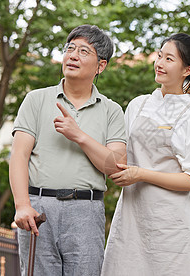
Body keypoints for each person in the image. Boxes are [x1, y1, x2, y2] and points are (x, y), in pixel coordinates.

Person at [9, 24, 127, 276]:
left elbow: (114, 166)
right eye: (69, 48)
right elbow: (19, 156)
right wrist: (22, 205)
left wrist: (79, 136)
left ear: (100, 66)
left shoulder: (112, 110)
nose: (72, 55)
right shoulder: (36, 99)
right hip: (38, 209)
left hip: (86, 209)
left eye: (84, 51)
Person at [101, 33, 190, 276]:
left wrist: (141, 174)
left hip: (171, 227)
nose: (159, 63)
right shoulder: (138, 105)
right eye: (159, 55)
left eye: (169, 59)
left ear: (187, 69)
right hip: (132, 219)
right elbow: (120, 159)